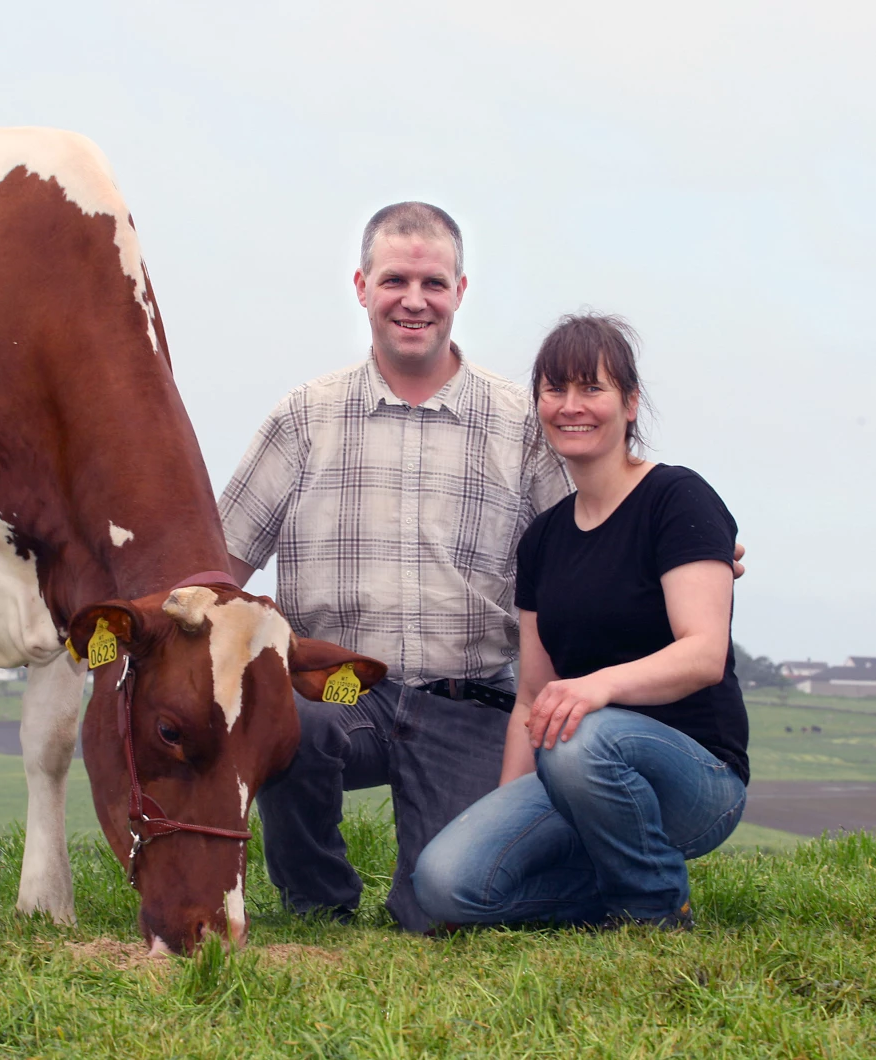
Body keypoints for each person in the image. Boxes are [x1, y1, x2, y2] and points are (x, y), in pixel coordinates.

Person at [218, 202, 574, 931]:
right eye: (395, 280)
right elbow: (217, 560)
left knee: (444, 908)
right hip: (339, 692)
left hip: (468, 700)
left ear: (461, 292)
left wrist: (679, 553)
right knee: (291, 726)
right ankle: (318, 900)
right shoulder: (305, 416)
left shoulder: (517, 424)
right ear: (361, 286)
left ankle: (430, 892)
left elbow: (585, 547)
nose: (414, 300)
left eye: (433, 282)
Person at [411, 313, 748, 930]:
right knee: (444, 887)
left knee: (581, 735)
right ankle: (611, 888)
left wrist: (597, 688)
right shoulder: (543, 539)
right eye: (554, 390)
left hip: (695, 775)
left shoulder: (677, 499)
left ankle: (655, 911)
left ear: (630, 403)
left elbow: (704, 654)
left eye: (592, 388)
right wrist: (504, 813)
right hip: (575, 769)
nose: (572, 406)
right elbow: (532, 698)